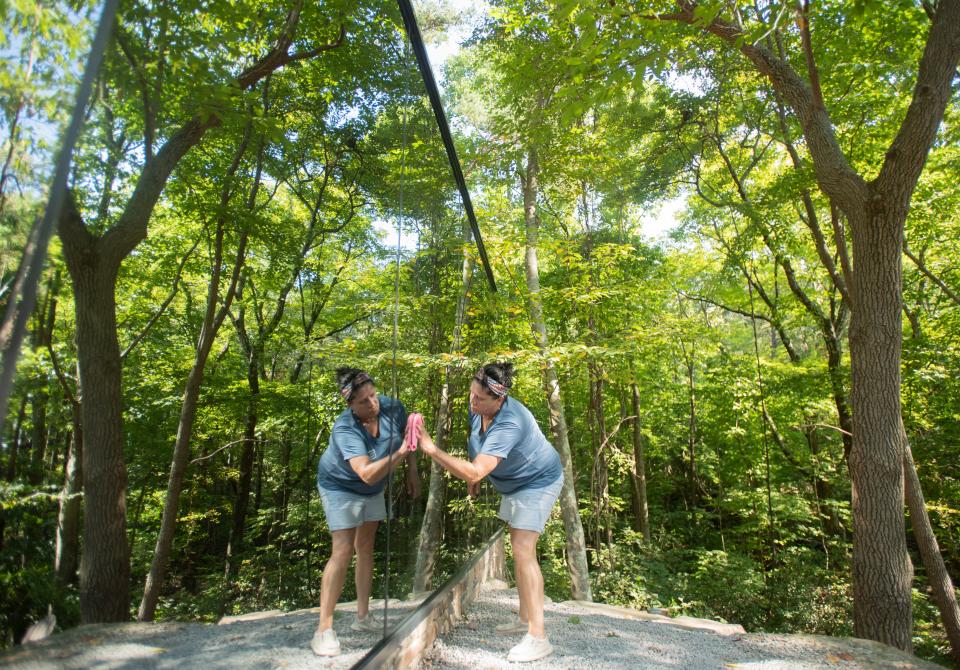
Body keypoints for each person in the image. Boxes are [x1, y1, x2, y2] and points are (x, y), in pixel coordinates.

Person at [416, 362, 563, 663]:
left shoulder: (510, 422)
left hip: (538, 481)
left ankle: (538, 637)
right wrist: (477, 479)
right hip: (513, 484)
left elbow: (475, 469)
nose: (472, 402)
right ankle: (524, 618)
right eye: (471, 395)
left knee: (523, 550)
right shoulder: (480, 407)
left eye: (480, 399)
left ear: (500, 398)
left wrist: (432, 450)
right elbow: (477, 447)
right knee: (518, 547)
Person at [310, 368, 420, 657]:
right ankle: (323, 629)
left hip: (374, 487)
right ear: (349, 405)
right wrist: (401, 454)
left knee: (366, 546)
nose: (372, 403)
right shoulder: (345, 429)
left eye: (373, 395)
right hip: (341, 486)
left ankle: (363, 616)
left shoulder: (393, 407)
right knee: (343, 550)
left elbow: (409, 438)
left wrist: (412, 472)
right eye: (363, 401)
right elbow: (366, 474)